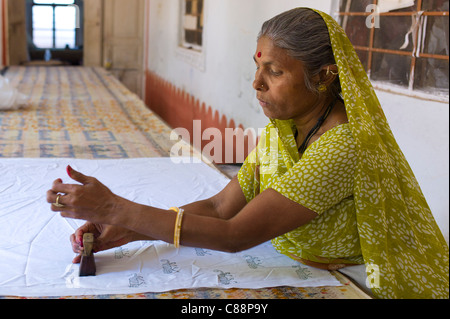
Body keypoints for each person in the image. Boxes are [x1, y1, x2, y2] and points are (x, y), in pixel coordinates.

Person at [47, 8, 449, 299]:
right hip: (296, 261)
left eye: (274, 72)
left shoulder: (343, 144)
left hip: (353, 279)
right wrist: (123, 232)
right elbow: (221, 207)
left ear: (324, 76)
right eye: (258, 68)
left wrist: (117, 209)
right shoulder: (286, 129)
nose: (256, 83)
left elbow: (236, 235)